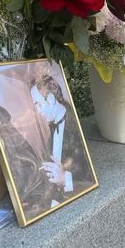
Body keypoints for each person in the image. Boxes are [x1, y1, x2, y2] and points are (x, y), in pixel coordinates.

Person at [30, 74, 92, 209]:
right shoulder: (52, 129)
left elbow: (90, 179)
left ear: (51, 99)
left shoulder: (76, 128)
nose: (38, 112)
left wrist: (64, 179)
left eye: (38, 104)